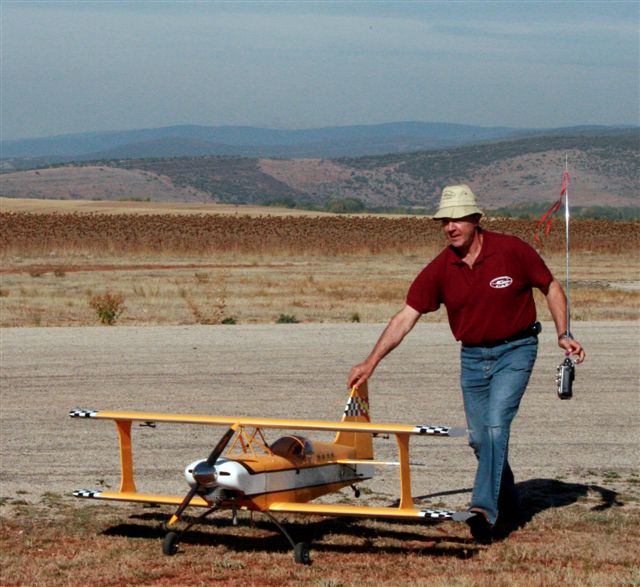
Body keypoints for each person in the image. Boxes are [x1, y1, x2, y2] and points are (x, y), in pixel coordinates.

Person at [347, 184, 585, 543]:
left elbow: (550, 286)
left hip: (516, 350)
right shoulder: (442, 268)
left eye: (457, 219)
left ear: (476, 220)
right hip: (473, 358)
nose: (450, 227)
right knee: (478, 439)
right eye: (445, 221)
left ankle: (483, 511)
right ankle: (509, 502)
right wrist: (371, 362)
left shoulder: (512, 250)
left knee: (494, 427)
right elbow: (405, 317)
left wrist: (563, 332)